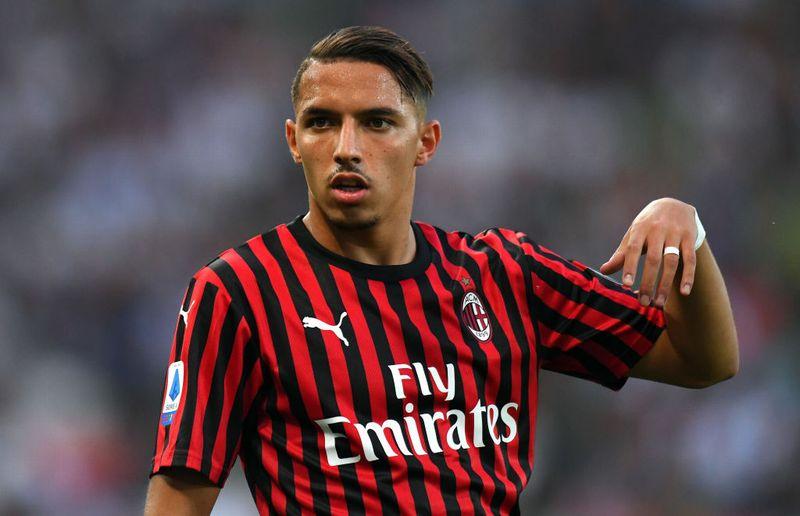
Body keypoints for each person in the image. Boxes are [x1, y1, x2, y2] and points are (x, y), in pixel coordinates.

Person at [143, 26, 739, 515]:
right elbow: (179, 499)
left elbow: (706, 362)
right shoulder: (239, 292)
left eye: (377, 122)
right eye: (322, 122)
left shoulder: (503, 275)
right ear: (294, 140)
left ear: (425, 143)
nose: (347, 147)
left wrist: (688, 228)